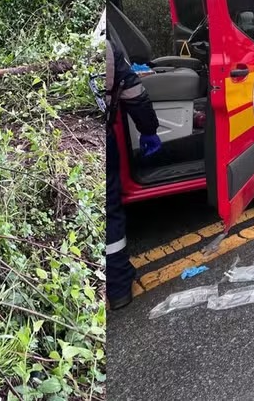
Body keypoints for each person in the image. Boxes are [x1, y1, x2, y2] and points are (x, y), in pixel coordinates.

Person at [106, 37, 161, 310]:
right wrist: (149, 130)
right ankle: (117, 289)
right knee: (110, 213)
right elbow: (134, 94)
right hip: (103, 136)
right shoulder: (110, 47)